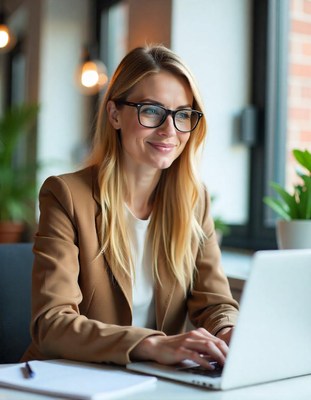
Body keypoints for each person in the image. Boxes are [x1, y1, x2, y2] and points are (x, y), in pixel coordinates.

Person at [22, 44, 239, 370]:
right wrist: (152, 345)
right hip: (70, 379)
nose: (170, 130)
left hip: (154, 383)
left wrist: (229, 332)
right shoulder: (65, 195)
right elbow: (51, 323)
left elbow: (215, 302)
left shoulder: (194, 200)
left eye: (182, 114)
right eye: (152, 110)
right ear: (114, 114)